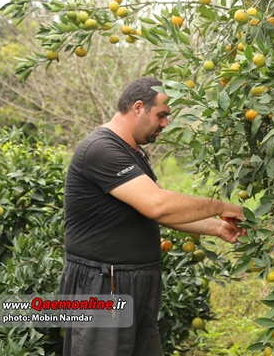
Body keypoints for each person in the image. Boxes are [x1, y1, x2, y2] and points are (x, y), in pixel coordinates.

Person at [58, 77, 245, 356]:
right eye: (162, 114)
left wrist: (217, 228)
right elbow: (158, 205)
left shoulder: (134, 152)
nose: (166, 123)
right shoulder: (101, 150)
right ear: (137, 107)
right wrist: (218, 206)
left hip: (133, 281)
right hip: (103, 284)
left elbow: (163, 212)